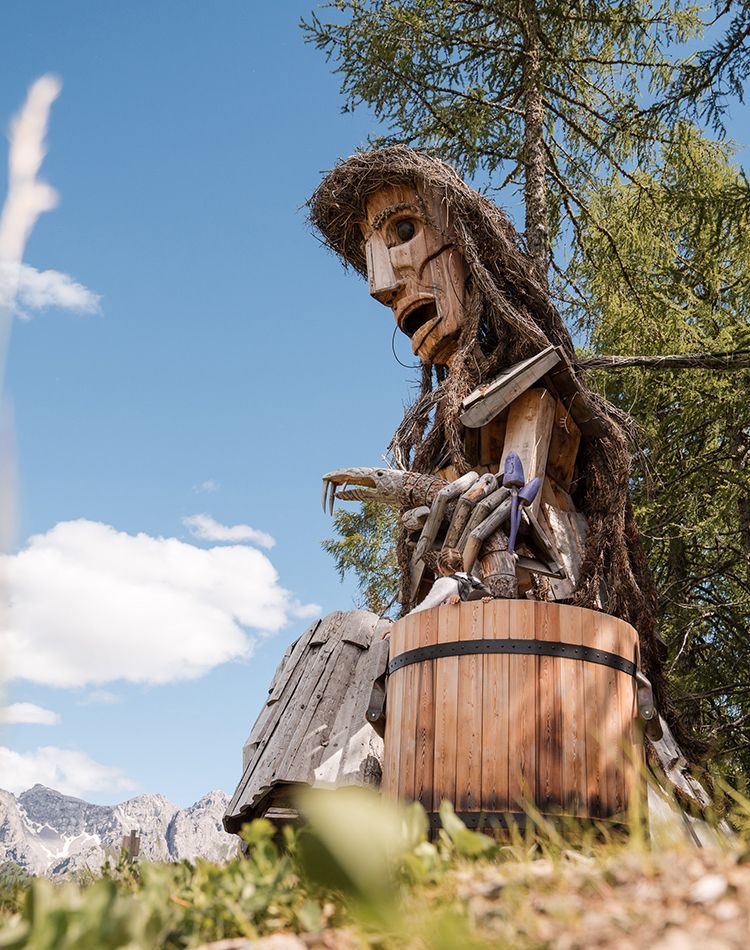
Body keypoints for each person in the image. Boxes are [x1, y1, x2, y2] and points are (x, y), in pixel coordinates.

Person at [409, 548, 491, 615]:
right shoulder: (474, 579)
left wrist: (405, 618)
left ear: (441, 569)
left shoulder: (445, 582)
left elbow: (426, 607)